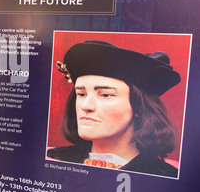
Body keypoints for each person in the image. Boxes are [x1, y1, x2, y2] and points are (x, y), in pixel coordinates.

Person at [47, 40, 181, 178]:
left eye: (105, 95)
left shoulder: (167, 176)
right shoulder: (52, 159)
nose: (85, 106)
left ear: (138, 108)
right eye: (81, 94)